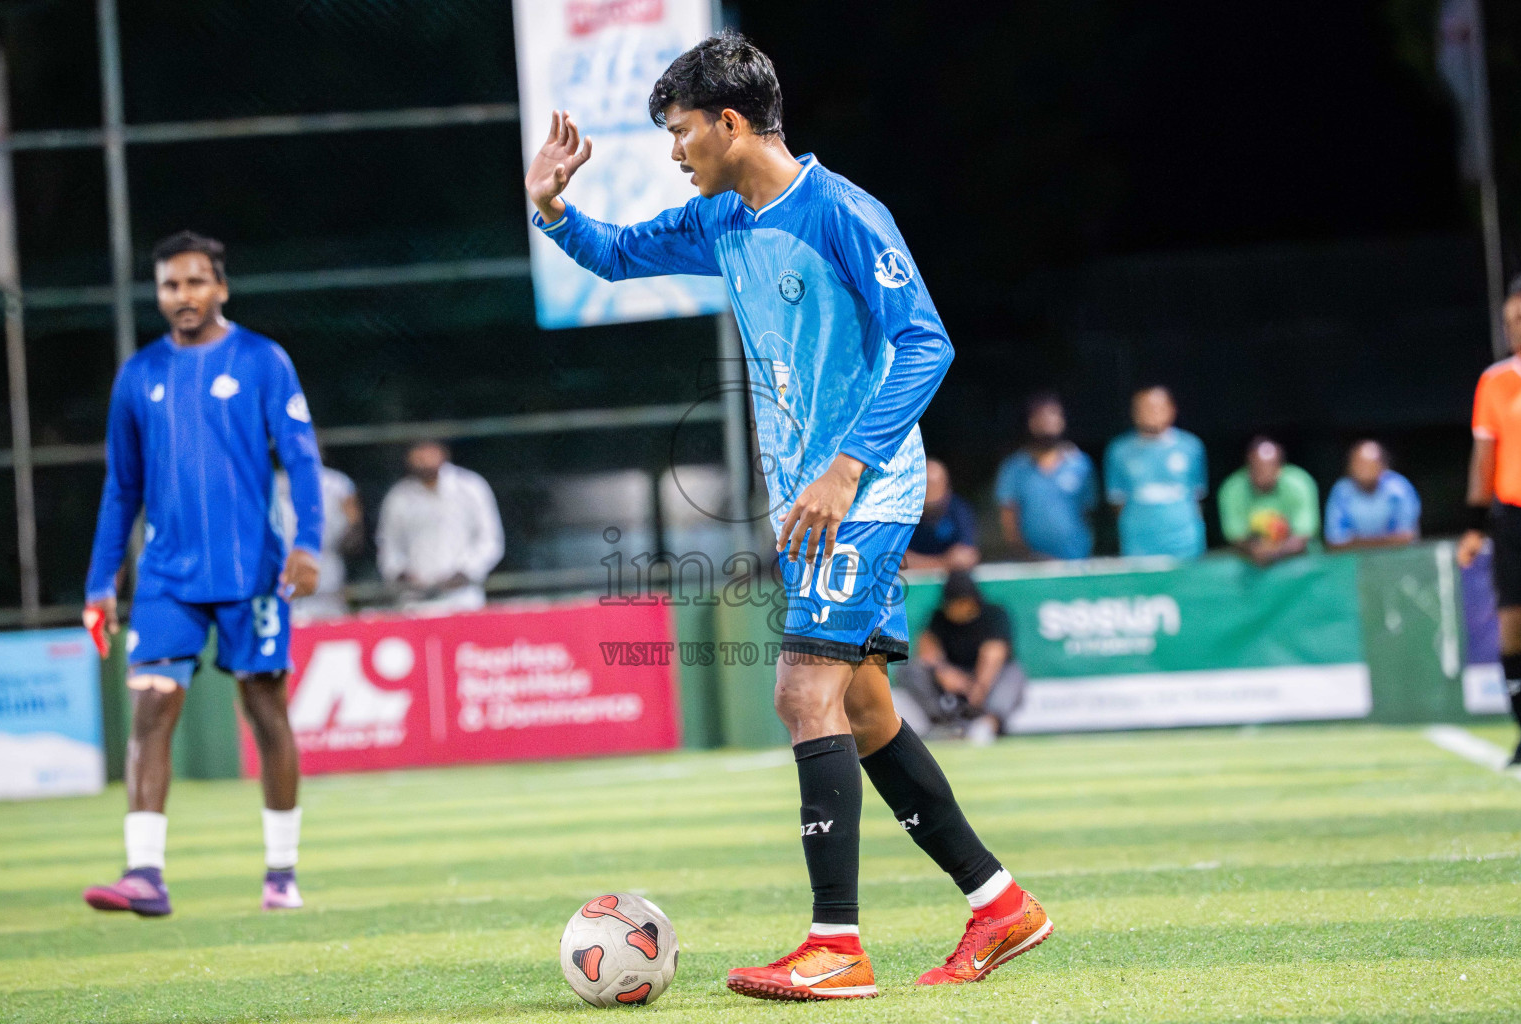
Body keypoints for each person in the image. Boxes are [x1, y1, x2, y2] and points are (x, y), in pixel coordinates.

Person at [525, 32, 1049, 1000]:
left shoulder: (845, 211)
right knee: (861, 708)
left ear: (730, 122)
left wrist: (849, 466)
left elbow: (925, 343)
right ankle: (998, 901)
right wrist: (552, 205)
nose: (673, 152)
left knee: (801, 693)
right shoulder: (720, 218)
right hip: (807, 505)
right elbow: (612, 258)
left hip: (864, 491)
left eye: (681, 133)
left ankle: (836, 944)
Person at [81, 231, 323, 917]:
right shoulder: (138, 376)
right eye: (168, 285)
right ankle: (144, 875)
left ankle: (281, 873)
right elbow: (120, 489)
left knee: (265, 711)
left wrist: (307, 543)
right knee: (153, 707)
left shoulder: (262, 360)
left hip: (256, 574)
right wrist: (101, 583)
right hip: (165, 576)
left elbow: (302, 458)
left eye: (193, 282)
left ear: (220, 287)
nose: (181, 297)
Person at [1458, 273, 1521, 766]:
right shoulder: (1496, 380)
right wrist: (1475, 524)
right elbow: (1485, 457)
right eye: (1509, 321)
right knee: (1513, 626)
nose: (1515, 328)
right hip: (1513, 517)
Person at [893, 570, 1027, 745]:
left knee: (1014, 674)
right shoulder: (939, 617)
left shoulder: (994, 614)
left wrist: (979, 687)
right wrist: (944, 672)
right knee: (909, 669)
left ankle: (988, 725)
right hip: (953, 681)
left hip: (988, 680)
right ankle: (944, 724)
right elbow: (927, 650)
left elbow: (993, 654)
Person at [376, 441, 503, 612]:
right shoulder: (399, 496)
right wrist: (402, 574)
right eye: (418, 454)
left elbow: (490, 540)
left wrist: (465, 572)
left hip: (464, 599)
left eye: (429, 452)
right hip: (415, 602)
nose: (423, 460)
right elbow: (388, 545)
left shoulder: (470, 487)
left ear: (443, 453)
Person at [1103, 386, 1208, 560]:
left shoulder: (1191, 446)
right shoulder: (1119, 451)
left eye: (1157, 407)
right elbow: (1117, 502)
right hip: (1139, 546)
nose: (1150, 413)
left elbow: (1197, 498)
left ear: (1171, 410)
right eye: (1143, 408)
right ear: (1134, 413)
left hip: (1185, 545)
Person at [994, 393, 1097, 560]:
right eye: (1040, 416)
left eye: (1053, 414)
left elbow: (1087, 512)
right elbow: (1008, 519)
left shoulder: (1081, 464)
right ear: (1030, 422)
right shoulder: (1014, 467)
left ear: (1062, 420)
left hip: (1076, 559)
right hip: (1030, 564)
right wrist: (1025, 555)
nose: (1047, 421)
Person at [274, 460, 364, 621]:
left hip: (327, 566)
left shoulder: (337, 482)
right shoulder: (273, 481)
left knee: (330, 625)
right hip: (285, 569)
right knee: (290, 624)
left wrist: (348, 539)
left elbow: (355, 527)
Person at [1218, 436, 1319, 566]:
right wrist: (1255, 550)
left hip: (1299, 563)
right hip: (1251, 565)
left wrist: (1273, 553)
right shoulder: (1232, 489)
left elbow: (1304, 533)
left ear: (1280, 467)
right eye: (1257, 468)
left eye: (1269, 466)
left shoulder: (1299, 484)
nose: (1263, 472)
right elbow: (1235, 535)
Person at [1323, 441, 1421, 551]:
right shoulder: (1341, 491)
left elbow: (1406, 537)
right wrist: (1385, 541)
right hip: (1352, 559)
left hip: (1397, 557)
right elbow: (1334, 541)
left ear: (1383, 465)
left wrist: (1356, 542)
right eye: (1359, 465)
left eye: (1369, 465)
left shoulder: (1399, 488)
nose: (1363, 470)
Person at [905, 458, 980, 569]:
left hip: (950, 582)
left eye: (933, 484)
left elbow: (967, 556)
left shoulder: (959, 510)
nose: (929, 489)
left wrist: (919, 563)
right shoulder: (902, 512)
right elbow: (895, 559)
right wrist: (944, 562)